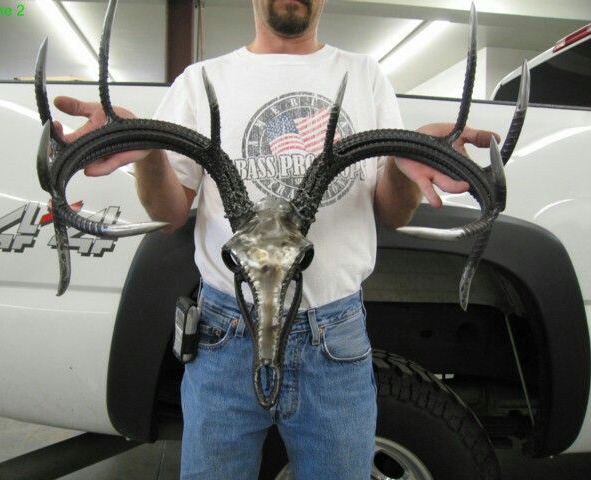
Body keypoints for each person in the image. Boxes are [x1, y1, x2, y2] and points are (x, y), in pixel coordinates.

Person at [54, 1, 497, 478]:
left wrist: (411, 160)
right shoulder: (201, 80)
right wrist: (147, 154)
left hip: (334, 339)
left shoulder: (365, 76)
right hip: (225, 336)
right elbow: (170, 214)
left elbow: (391, 212)